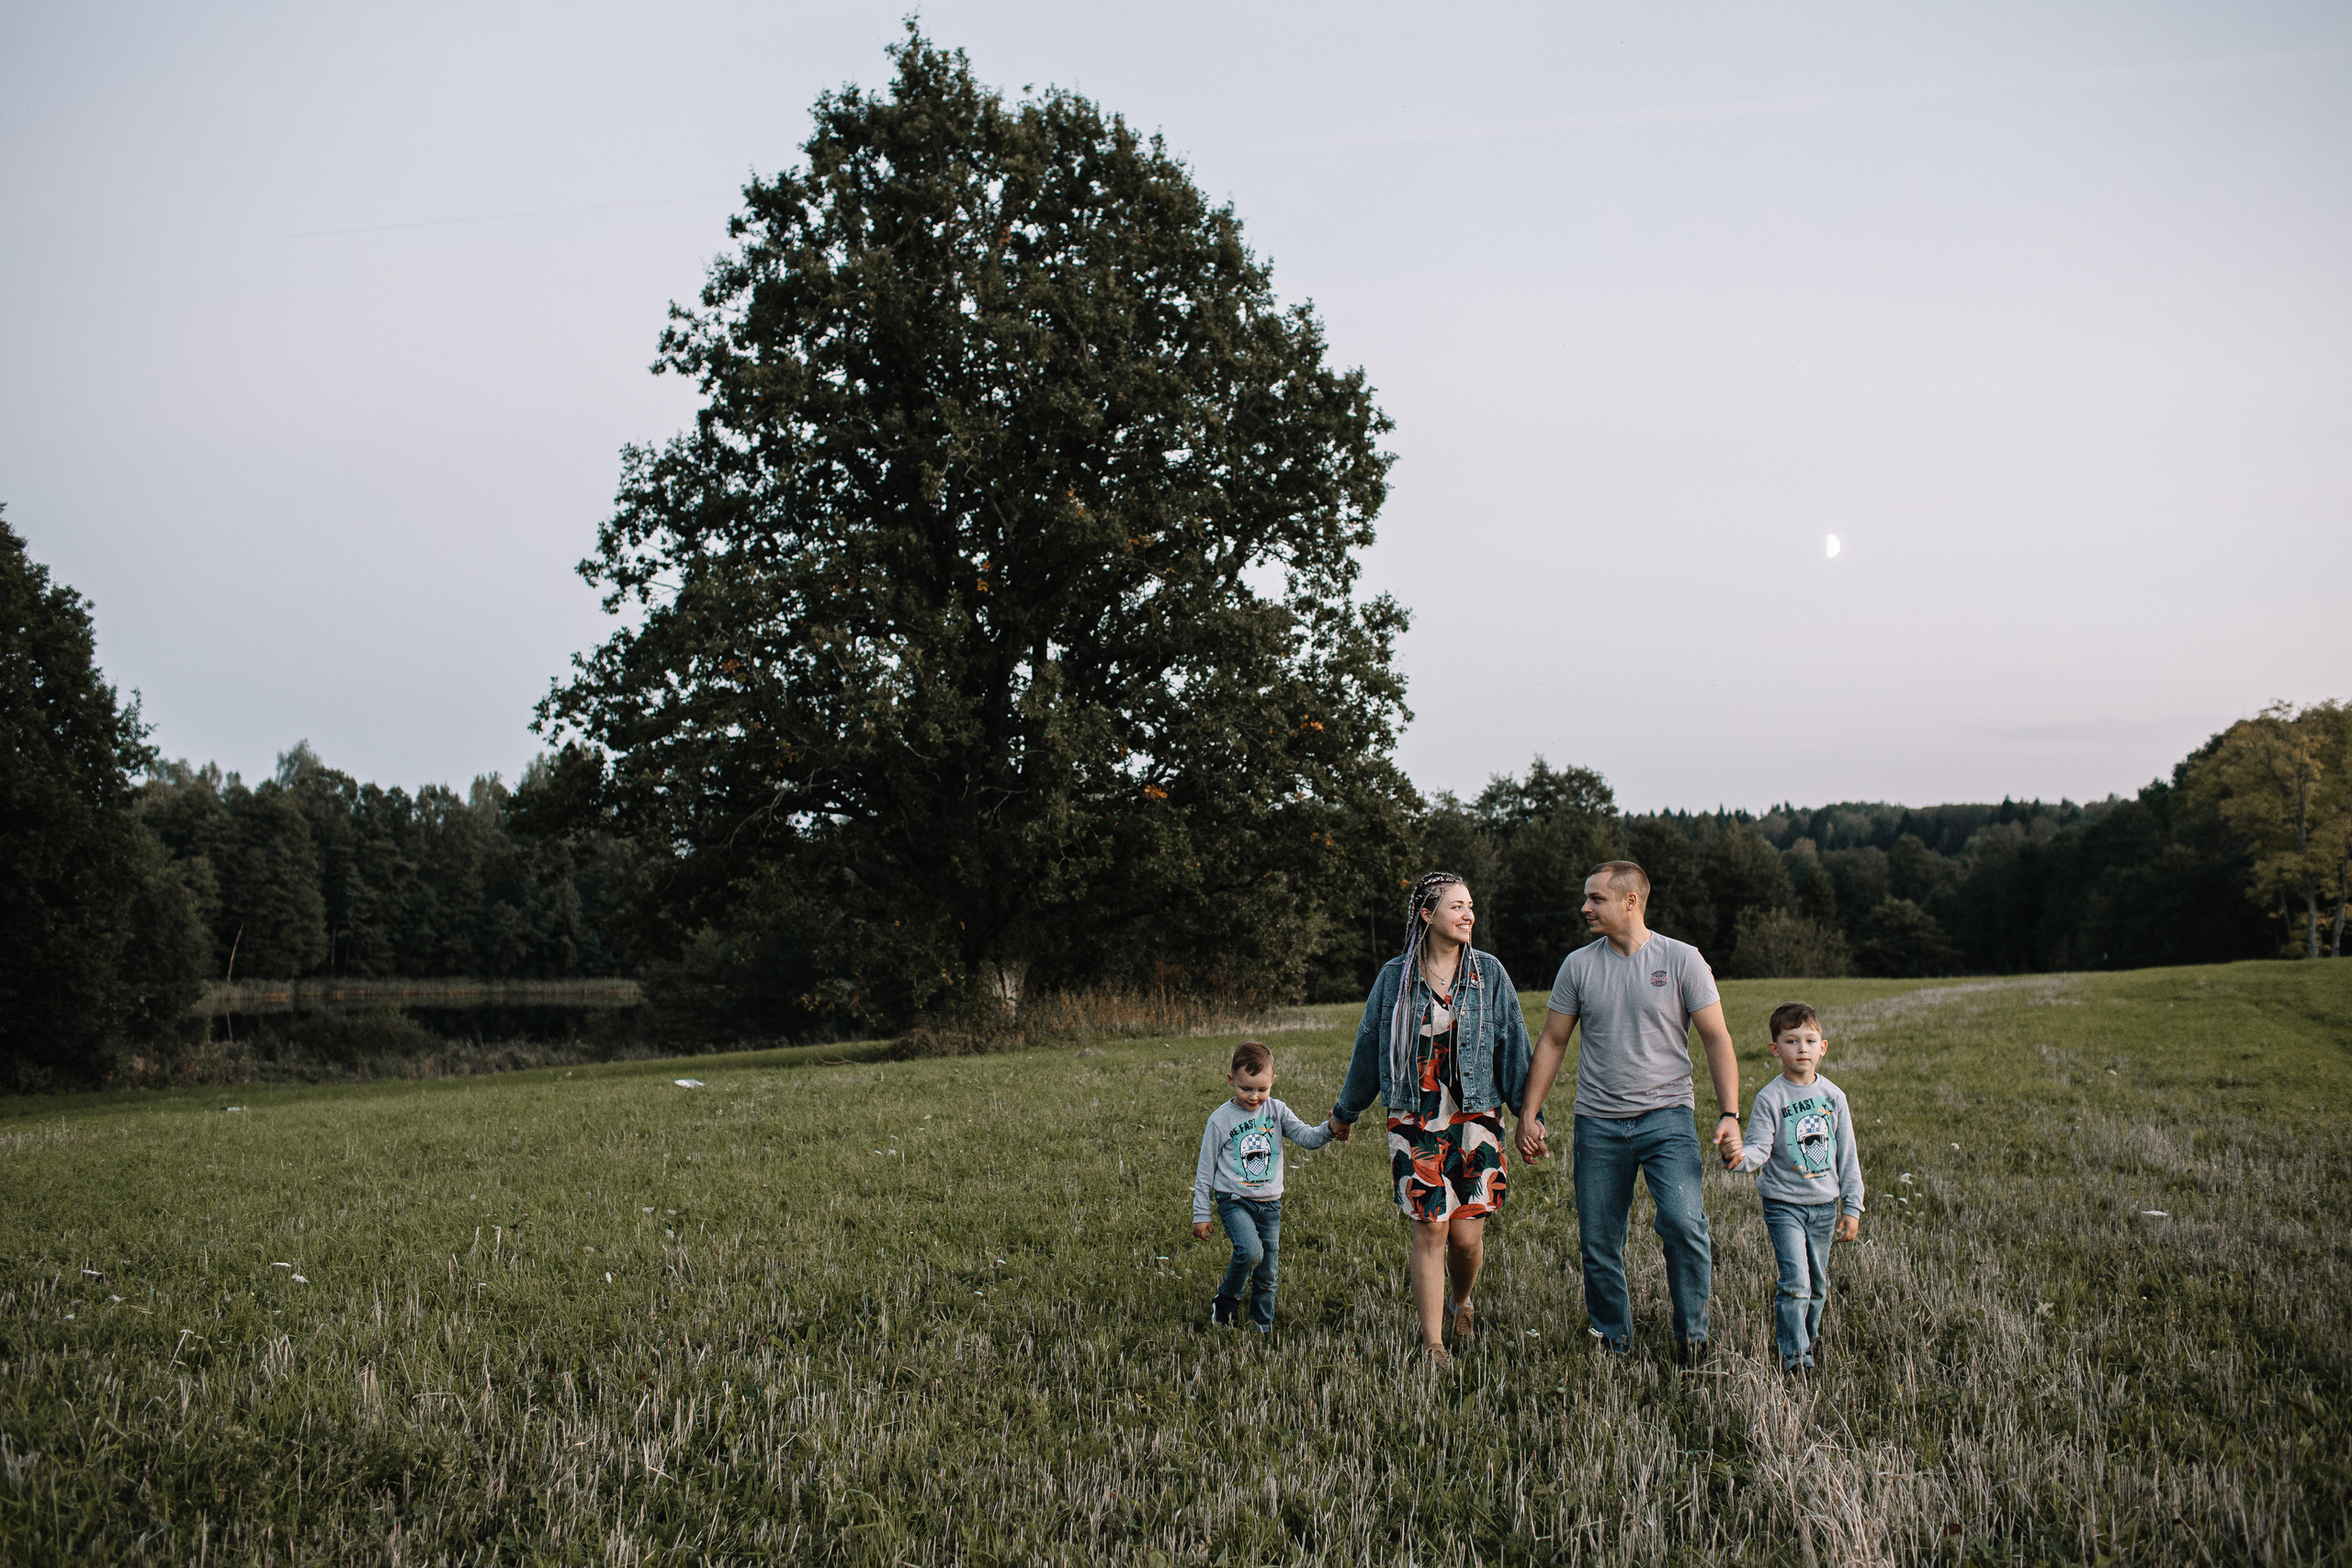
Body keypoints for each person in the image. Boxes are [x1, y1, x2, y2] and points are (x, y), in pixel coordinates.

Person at [1515, 861, 1742, 1362]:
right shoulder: (1578, 965)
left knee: (1685, 1225)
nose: (1585, 907)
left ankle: (1693, 1340)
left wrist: (1730, 1113)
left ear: (1630, 902)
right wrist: (1529, 1112)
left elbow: (1716, 1038)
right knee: (1598, 1241)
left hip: (1668, 1118)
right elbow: (1553, 1042)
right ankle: (1612, 1339)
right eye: (1586, 897)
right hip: (1597, 1123)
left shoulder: (1682, 960)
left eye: (1596, 898)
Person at [1329, 873, 1536, 1365]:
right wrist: (1345, 1110)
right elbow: (1368, 1048)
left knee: (1466, 1238)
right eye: (1456, 907)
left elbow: (1514, 1046)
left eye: (1470, 906)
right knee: (1431, 1228)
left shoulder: (1489, 973)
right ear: (1427, 915)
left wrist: (1531, 1115)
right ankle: (1434, 1343)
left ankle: (1461, 1301)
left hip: (1476, 1118)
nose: (1468, 915)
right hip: (1414, 1121)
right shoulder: (1394, 977)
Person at [1725, 1002, 1865, 1373]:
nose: (1801, 1048)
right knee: (1796, 1282)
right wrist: (1740, 1158)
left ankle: (1808, 1337)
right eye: (1791, 1041)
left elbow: (1847, 1157)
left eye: (1809, 1040)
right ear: (1775, 1049)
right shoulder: (1771, 1098)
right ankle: (1794, 1356)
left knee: (1817, 1285)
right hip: (1782, 1205)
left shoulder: (1834, 1098)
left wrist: (1852, 1207)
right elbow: (1758, 1147)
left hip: (1824, 1207)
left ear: (1823, 1047)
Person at [1192, 1040, 1338, 1331]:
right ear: (1231, 1080)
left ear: (1273, 1081)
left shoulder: (1278, 1111)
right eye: (1245, 1088)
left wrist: (1331, 1128)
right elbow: (1205, 1168)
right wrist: (1201, 1213)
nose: (1254, 1097)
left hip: (1270, 1205)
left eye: (1262, 1089)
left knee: (1268, 1272)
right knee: (1250, 1253)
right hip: (1234, 1200)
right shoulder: (1220, 1120)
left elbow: (1306, 1136)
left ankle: (1262, 1324)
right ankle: (1226, 1302)